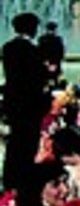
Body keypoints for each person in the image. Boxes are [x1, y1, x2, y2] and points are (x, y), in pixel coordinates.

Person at [3, 13, 49, 192]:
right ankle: (23, 178)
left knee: (15, 142)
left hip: (13, 102)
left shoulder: (8, 47)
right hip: (30, 104)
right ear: (32, 28)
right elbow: (38, 77)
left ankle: (9, 179)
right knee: (28, 143)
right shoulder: (33, 51)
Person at [37, 21, 65, 87]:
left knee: (47, 81)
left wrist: (46, 63)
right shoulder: (57, 39)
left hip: (48, 64)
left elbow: (39, 52)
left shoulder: (42, 39)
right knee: (53, 81)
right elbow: (60, 53)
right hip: (52, 64)